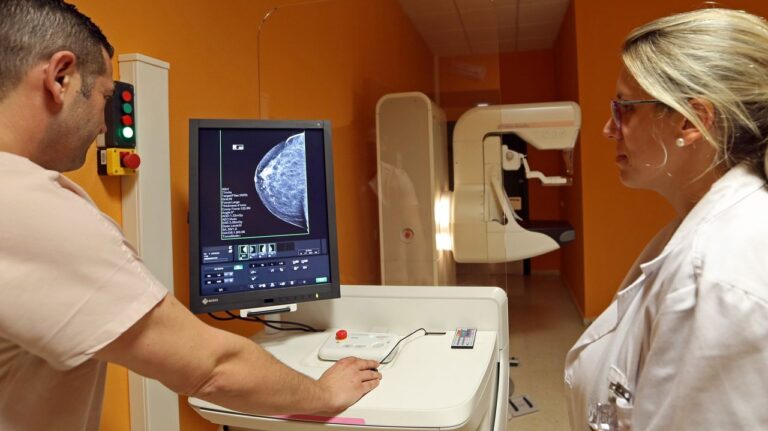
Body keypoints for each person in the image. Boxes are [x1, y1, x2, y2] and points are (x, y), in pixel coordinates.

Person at [0, 1, 381, 429]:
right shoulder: (31, 210)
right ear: (60, 77)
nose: (105, 126)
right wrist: (325, 393)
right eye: (106, 98)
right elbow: (213, 368)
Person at [564, 7, 768, 431]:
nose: (608, 129)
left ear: (690, 121)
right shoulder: (702, 230)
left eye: (624, 109)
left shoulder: (717, 277)